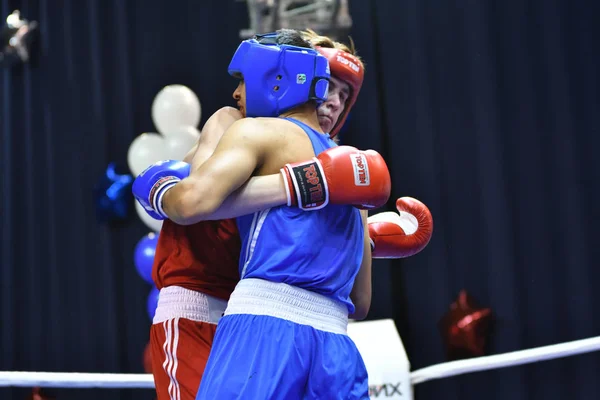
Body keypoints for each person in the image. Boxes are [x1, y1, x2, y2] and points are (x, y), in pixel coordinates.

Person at [135, 30, 396, 400]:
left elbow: (193, 203)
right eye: (330, 87)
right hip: (333, 346)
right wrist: (304, 189)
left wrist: (157, 189)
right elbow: (361, 301)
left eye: (344, 94)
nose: (334, 102)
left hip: (262, 326)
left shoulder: (256, 132)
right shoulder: (358, 168)